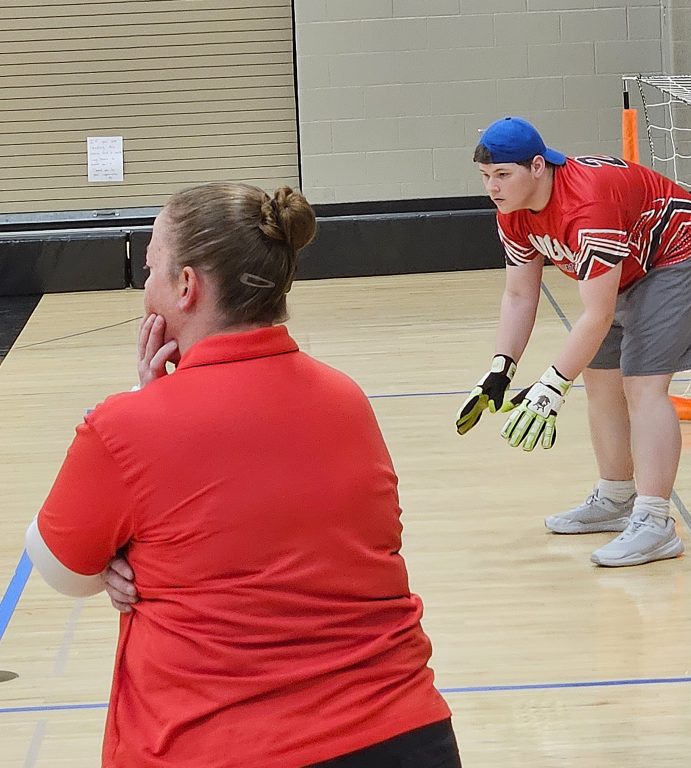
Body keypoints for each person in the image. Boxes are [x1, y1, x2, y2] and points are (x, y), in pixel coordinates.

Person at [24, 182, 461, 768]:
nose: (144, 288)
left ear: (186, 287)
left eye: (151, 269)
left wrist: (140, 407)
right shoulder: (346, 399)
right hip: (404, 736)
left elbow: (59, 568)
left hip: (221, 747)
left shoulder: (127, 426)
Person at [456, 116, 691, 568]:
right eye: (485, 177)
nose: (492, 188)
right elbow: (520, 294)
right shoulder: (513, 213)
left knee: (642, 385)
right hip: (630, 262)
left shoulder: (585, 208)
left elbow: (597, 314)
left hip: (678, 255)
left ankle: (656, 522)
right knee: (600, 380)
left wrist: (551, 385)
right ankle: (618, 498)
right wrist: (501, 367)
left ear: (537, 166)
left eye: (502, 175)